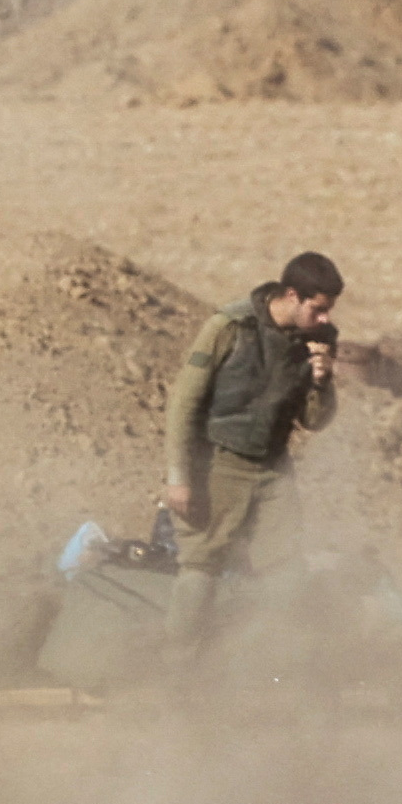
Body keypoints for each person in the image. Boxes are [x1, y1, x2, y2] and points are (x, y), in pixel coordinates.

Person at [154, 249, 345, 661]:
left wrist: (322, 381)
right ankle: (176, 675)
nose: (325, 319)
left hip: (273, 470)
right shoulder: (229, 328)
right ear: (291, 295)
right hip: (218, 464)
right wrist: (179, 476)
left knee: (286, 573)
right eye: (318, 309)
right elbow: (184, 404)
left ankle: (267, 670)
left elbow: (315, 421)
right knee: (200, 569)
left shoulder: (320, 340)